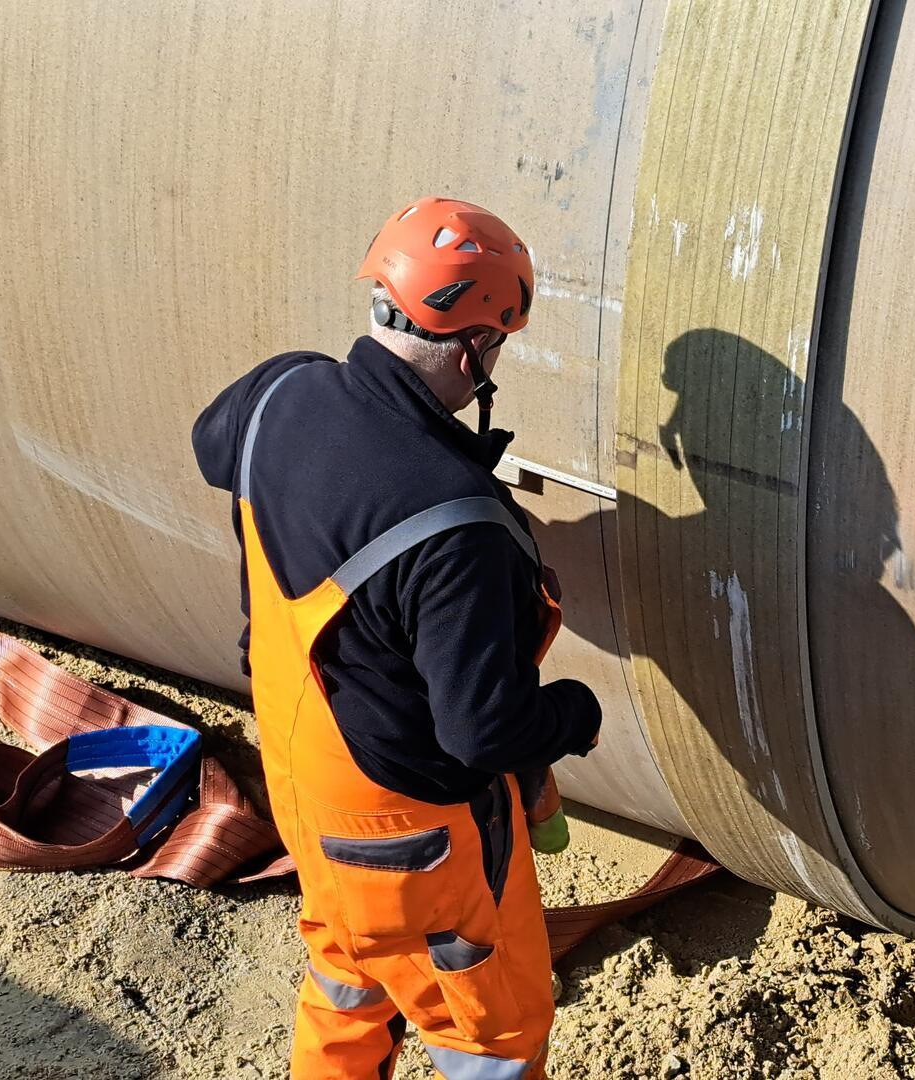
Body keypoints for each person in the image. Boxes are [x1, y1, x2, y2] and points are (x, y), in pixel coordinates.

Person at [191, 196, 600, 1079]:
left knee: (350, 977)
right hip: (415, 841)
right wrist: (574, 712)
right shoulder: (459, 527)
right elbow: (482, 733)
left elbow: (207, 444)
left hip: (306, 791)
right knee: (489, 1038)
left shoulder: (279, 392)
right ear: (472, 349)